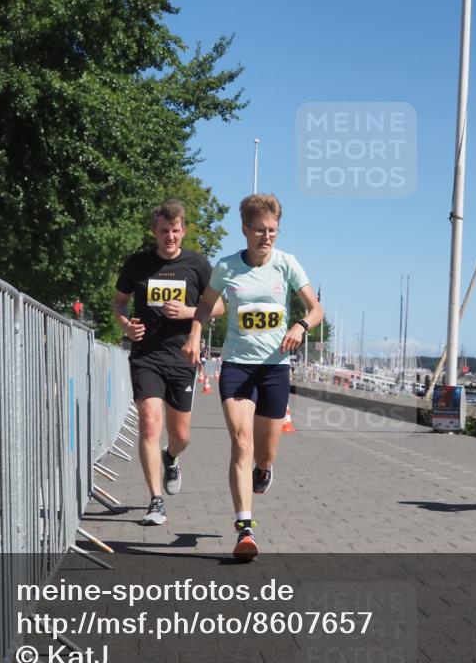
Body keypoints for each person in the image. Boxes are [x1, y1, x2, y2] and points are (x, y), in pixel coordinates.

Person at [184, 194, 323, 559]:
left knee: (265, 451)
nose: (267, 237)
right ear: (245, 229)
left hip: (275, 368)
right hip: (237, 366)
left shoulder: (287, 264)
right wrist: (196, 335)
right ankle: (245, 528)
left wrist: (301, 324)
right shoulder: (227, 267)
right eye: (260, 230)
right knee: (241, 443)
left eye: (273, 231)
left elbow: (316, 308)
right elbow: (203, 307)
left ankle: (264, 469)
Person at [112, 199, 223, 526]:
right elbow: (120, 301)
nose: (170, 237)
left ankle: (171, 457)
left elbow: (218, 307)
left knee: (181, 435)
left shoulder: (198, 265)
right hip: (147, 355)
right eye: (164, 231)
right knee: (148, 424)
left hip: (182, 356)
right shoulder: (138, 264)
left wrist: (190, 312)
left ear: (183, 231)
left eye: (175, 231)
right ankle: (156, 499)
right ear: (154, 231)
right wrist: (125, 325)